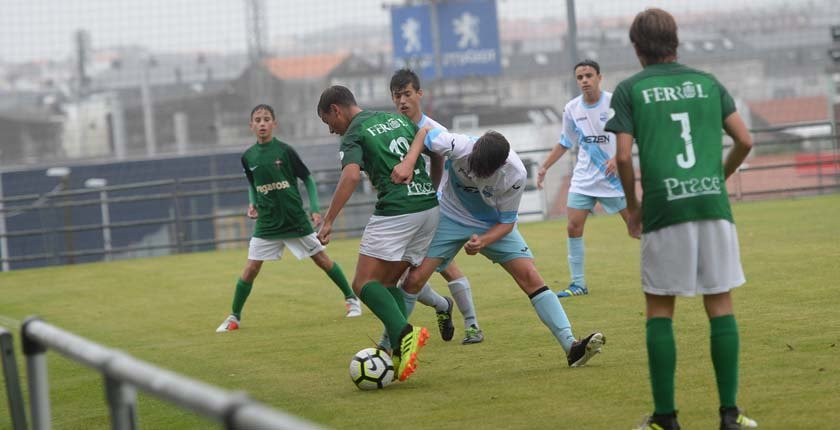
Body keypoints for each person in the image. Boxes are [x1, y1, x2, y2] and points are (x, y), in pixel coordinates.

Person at [605, 9, 757, 430]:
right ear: (676, 41)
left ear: (637, 48)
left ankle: (665, 419)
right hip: (712, 205)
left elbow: (621, 155)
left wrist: (634, 210)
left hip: (664, 207)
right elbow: (745, 139)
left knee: (659, 309)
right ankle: (730, 414)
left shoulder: (629, 89)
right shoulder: (708, 83)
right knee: (720, 303)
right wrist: (717, 179)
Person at [392, 125, 606, 368]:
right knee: (414, 280)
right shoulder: (457, 144)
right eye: (472, 166)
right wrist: (409, 161)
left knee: (530, 275)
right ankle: (387, 349)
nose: (473, 174)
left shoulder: (514, 174)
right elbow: (425, 132)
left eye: (481, 172)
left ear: (500, 166)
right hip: (449, 216)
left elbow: (507, 222)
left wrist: (483, 241)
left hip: (490, 224)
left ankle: (571, 347)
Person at [316, 85, 434, 382]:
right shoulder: (395, 119)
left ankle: (405, 334)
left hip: (398, 210)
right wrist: (433, 186)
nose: (332, 131)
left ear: (336, 110)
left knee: (362, 284)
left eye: (329, 124)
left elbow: (351, 175)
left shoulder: (354, 132)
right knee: (387, 281)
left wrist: (328, 220)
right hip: (429, 207)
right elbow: (433, 147)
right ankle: (398, 348)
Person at [216, 104, 361, 333]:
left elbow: (308, 179)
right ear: (251, 125)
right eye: (258, 120)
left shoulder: (285, 151)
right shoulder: (248, 157)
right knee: (250, 268)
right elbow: (252, 184)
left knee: (322, 260)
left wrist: (314, 209)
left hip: (294, 220)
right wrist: (252, 202)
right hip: (268, 223)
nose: (262, 123)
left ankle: (352, 300)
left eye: (266, 119)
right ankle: (234, 317)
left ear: (274, 123)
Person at [388, 68, 484, 344]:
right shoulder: (394, 129)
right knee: (413, 273)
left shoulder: (436, 132)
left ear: (419, 94)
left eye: (407, 94)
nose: (402, 101)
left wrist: (433, 195)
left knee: (434, 268)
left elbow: (450, 167)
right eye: (397, 96)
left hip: (436, 209)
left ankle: (472, 325)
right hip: (408, 212)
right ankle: (444, 307)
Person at [536, 59, 630, 298]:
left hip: (613, 180)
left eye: (589, 75)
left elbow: (632, 133)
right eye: (580, 77)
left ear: (599, 77)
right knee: (573, 227)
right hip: (583, 179)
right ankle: (578, 284)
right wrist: (544, 166)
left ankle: (667, 267)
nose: (585, 81)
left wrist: (618, 158)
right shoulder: (572, 109)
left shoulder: (614, 103)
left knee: (637, 227)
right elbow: (565, 142)